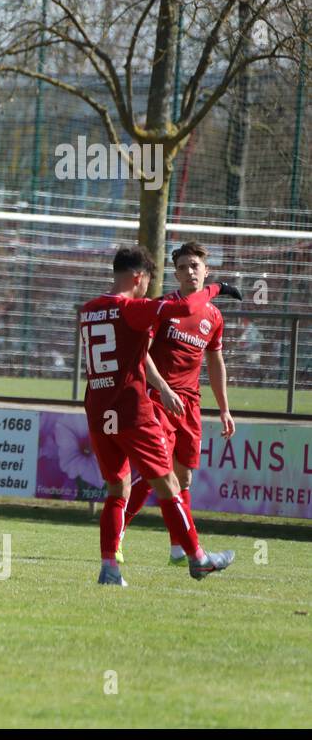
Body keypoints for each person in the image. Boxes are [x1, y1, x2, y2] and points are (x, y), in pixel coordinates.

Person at [78, 245, 239, 586]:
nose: (147, 289)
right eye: (147, 282)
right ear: (138, 278)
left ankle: (110, 569)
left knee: (116, 489)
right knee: (167, 483)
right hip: (134, 409)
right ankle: (197, 557)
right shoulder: (131, 309)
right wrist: (217, 289)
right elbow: (182, 306)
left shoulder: (89, 309)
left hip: (98, 410)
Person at [119, 242, 235, 564]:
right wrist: (163, 389)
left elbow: (215, 363)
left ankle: (178, 549)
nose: (190, 272)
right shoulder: (164, 307)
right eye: (183, 267)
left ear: (206, 271)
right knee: (158, 472)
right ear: (176, 273)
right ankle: (118, 533)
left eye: (195, 266)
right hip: (158, 398)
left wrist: (224, 408)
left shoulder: (213, 316)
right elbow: (140, 354)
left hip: (189, 404)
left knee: (183, 479)